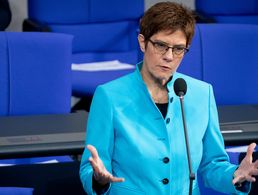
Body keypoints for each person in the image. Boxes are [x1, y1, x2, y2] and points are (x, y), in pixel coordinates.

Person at [80, 2, 258, 194]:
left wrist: (235, 175)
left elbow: (212, 165)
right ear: (142, 42)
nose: (169, 56)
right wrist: (99, 180)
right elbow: (90, 168)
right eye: (161, 45)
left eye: (179, 49)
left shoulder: (202, 94)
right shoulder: (109, 96)